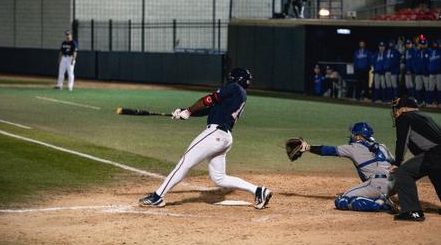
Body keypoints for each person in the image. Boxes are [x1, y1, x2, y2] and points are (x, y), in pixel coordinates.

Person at [140, 68, 272, 209]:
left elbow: (208, 100)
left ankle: (157, 197)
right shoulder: (238, 94)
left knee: (185, 163)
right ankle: (258, 191)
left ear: (236, 79)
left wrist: (189, 110)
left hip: (215, 134)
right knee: (219, 179)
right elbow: (209, 109)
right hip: (224, 137)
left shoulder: (234, 88)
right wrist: (185, 113)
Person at [290, 122, 396, 212]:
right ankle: (383, 197)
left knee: (342, 200)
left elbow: (329, 150)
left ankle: (380, 204)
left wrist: (307, 147)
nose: (351, 136)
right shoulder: (382, 146)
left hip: (378, 185)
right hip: (396, 183)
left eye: (353, 134)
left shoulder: (353, 147)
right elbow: (397, 164)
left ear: (359, 136)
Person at [390, 96, 441, 221]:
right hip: (435, 155)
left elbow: (402, 141)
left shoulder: (405, 117)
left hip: (434, 154)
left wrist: (397, 163)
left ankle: (412, 211)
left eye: (398, 108)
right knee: (435, 173)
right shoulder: (425, 117)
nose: (396, 111)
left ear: (404, 108)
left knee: (403, 173)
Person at [413, 38, 429, 105]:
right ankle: (419, 101)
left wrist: (427, 71)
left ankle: (427, 101)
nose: (422, 45)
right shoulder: (417, 52)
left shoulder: (429, 51)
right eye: (421, 44)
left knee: (427, 88)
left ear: (426, 44)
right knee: (418, 88)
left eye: (424, 44)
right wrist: (415, 70)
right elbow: (414, 62)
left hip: (425, 73)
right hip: (418, 73)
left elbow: (429, 63)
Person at [426, 39, 441, 107]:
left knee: (439, 88)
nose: (435, 44)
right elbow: (428, 62)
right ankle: (430, 102)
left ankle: (439, 103)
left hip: (439, 73)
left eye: (436, 43)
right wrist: (429, 69)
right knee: (431, 88)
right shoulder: (430, 51)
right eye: (434, 43)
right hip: (431, 73)